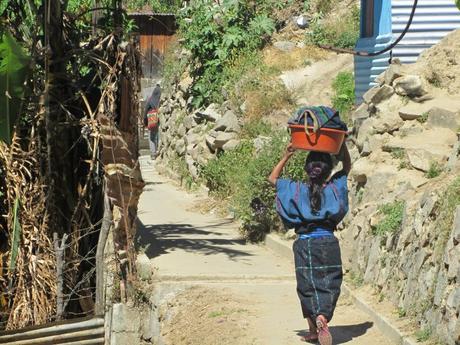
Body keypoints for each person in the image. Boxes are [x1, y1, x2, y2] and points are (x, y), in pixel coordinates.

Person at [268, 142, 351, 345]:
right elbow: (347, 167)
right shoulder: (334, 187)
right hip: (328, 242)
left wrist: (286, 156)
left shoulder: (295, 189)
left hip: (304, 244)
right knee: (330, 282)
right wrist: (342, 145)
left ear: (307, 169)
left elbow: (273, 179)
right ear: (328, 170)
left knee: (307, 285)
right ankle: (323, 316)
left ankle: (313, 328)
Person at [144, 83, 161, 159]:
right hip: (159, 121)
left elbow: (145, 111)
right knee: (157, 136)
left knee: (151, 137)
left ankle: (153, 154)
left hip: (151, 120)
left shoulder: (150, 100)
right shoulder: (160, 100)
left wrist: (145, 122)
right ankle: (157, 151)